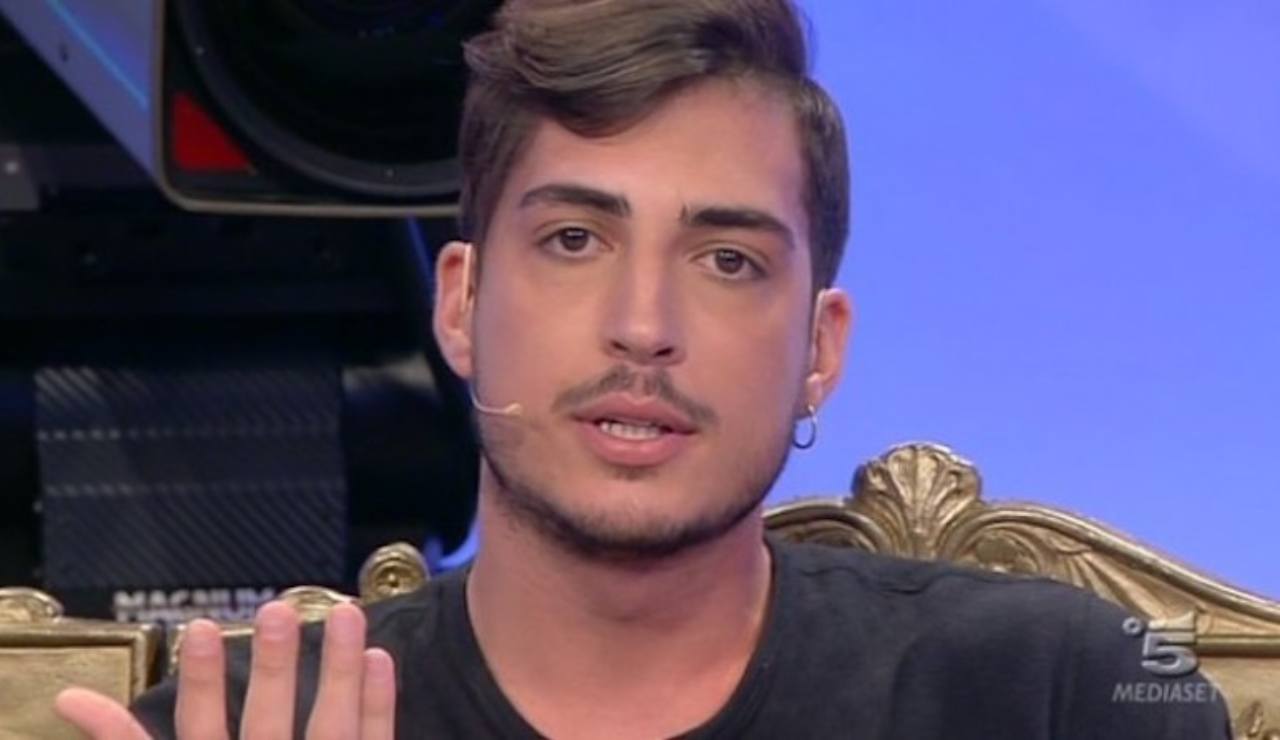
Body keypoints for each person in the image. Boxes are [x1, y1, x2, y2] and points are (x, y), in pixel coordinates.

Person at [55, 0, 1231, 738]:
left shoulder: (1055, 692)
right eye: (574, 240)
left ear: (817, 349)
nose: (642, 325)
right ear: (460, 305)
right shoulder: (248, 725)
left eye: (726, 259)